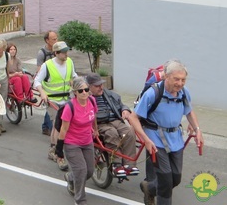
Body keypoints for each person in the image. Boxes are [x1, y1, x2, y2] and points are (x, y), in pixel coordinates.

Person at [128, 59, 203, 205]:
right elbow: (133, 118)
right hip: (155, 139)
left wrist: (198, 130)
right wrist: (146, 140)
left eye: (183, 80)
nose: (180, 83)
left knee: (176, 177)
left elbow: (189, 111)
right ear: (166, 77)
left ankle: (149, 187)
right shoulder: (152, 93)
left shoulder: (183, 92)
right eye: (176, 79)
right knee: (166, 179)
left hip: (175, 139)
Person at [34, 40, 77, 171]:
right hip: (52, 100)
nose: (66, 54)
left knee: (58, 126)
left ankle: (53, 148)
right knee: (59, 125)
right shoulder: (47, 65)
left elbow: (74, 76)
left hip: (66, 98)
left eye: (67, 51)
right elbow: (36, 81)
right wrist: (42, 93)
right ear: (56, 53)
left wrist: (81, 86)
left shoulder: (69, 62)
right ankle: (59, 155)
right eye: (63, 52)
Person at [86, 72, 139, 177]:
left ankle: (129, 165)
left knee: (129, 132)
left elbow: (121, 104)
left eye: (101, 84)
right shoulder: (86, 96)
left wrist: (125, 110)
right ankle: (116, 164)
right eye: (97, 86)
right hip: (99, 123)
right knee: (112, 133)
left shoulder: (109, 94)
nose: (101, 87)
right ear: (89, 86)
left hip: (114, 119)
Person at [56, 77, 98, 205]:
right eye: (81, 91)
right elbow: (63, 130)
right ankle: (80, 200)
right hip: (72, 143)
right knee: (81, 170)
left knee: (89, 171)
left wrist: (95, 129)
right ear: (75, 92)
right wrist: (59, 150)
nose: (84, 93)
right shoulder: (70, 107)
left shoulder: (92, 101)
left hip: (87, 141)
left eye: (86, 90)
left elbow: (94, 116)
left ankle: (71, 177)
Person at [37, 30, 58, 135]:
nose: (56, 41)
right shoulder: (42, 53)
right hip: (46, 84)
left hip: (55, 84)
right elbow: (39, 71)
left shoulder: (57, 51)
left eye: (56, 38)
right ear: (47, 40)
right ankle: (51, 129)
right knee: (51, 105)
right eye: (54, 39)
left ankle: (45, 127)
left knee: (50, 106)